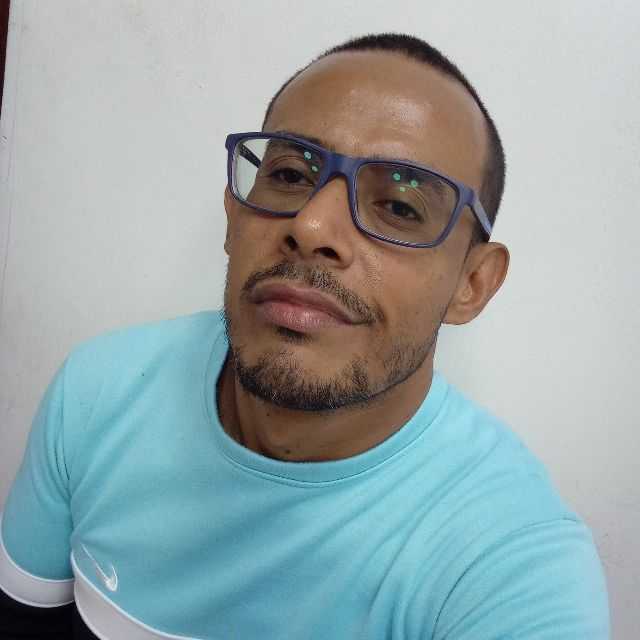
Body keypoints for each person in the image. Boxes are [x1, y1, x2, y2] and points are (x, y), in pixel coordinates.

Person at [0, 32, 609, 639]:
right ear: (233, 214)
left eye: (400, 207)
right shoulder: (97, 393)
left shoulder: (511, 564)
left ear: (472, 284)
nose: (312, 224)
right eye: (290, 174)